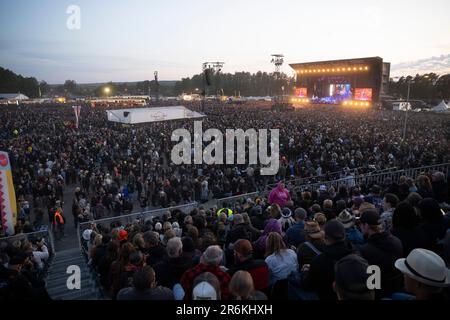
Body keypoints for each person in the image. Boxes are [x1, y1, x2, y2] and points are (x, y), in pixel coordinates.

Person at [301, 220, 355, 300]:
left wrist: (306, 272)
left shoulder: (318, 262)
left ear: (325, 238)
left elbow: (307, 286)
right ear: (344, 235)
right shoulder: (357, 254)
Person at [359, 208, 404, 299]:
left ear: (366, 226)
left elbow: (371, 283)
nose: (360, 226)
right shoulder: (396, 241)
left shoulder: (365, 250)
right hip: (398, 288)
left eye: (361, 224)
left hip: (380, 293)